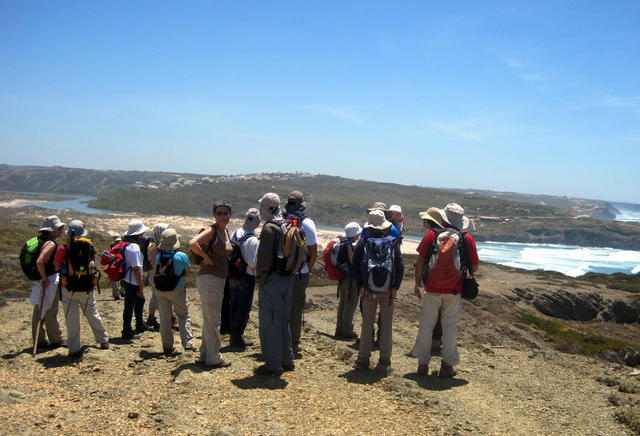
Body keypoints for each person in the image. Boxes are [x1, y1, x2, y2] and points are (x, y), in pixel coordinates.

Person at [413, 203, 479, 378]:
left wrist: (418, 283)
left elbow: (420, 262)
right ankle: (447, 365)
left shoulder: (431, 235)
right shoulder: (467, 239)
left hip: (431, 288)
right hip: (453, 290)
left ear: (444, 218)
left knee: (426, 325)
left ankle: (422, 364)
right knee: (449, 327)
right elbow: (475, 267)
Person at [352, 210, 404, 371]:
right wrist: (395, 287)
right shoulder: (393, 240)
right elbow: (400, 264)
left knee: (367, 323)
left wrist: (361, 285)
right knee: (386, 325)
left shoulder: (364, 240)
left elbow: (355, 264)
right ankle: (384, 361)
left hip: (368, 288)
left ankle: (362, 359)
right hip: (388, 289)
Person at [255, 193, 295, 376]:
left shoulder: (269, 229)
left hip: (272, 280)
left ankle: (272, 364)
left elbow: (263, 261)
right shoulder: (287, 224)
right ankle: (287, 359)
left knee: (269, 323)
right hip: (288, 278)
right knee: (282, 321)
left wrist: (261, 281)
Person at [189, 201, 233, 368]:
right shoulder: (212, 230)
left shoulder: (226, 231)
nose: (222, 216)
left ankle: (205, 354)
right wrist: (207, 259)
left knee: (210, 318)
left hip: (218, 279)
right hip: (210, 278)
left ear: (230, 215)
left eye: (225, 213)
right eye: (219, 213)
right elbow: (193, 243)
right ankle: (214, 357)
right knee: (214, 319)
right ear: (214, 215)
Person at [56, 220, 109, 357]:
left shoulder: (63, 249)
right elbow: (94, 265)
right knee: (92, 313)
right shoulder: (89, 246)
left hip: (67, 286)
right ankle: (103, 340)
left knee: (71, 319)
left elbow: (56, 267)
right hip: (86, 286)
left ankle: (74, 348)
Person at [285, 191, 318, 354]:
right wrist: (306, 269)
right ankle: (293, 342)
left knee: (282, 306)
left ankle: (279, 338)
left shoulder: (281, 220)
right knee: (296, 309)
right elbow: (313, 251)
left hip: (282, 271)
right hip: (300, 272)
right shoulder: (307, 223)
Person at [154, 228, 195, 356]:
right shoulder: (181, 256)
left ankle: (167, 347)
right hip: (177, 289)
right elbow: (188, 274)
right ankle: (187, 343)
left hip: (160, 290)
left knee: (164, 318)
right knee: (183, 315)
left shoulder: (158, 256)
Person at [30, 215, 65, 350]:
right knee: (50, 310)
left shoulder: (39, 240)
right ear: (51, 230)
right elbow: (40, 261)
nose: (61, 230)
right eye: (59, 228)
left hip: (41, 280)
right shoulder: (50, 243)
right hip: (48, 281)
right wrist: (45, 278)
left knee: (39, 309)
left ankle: (39, 340)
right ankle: (55, 339)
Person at [228, 208, 260, 348]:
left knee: (234, 304)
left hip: (233, 274)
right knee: (243, 307)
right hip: (246, 276)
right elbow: (254, 263)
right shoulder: (253, 240)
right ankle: (237, 337)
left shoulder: (236, 232)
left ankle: (232, 334)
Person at [121, 219, 152, 339]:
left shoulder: (125, 244)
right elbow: (136, 268)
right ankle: (127, 330)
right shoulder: (134, 247)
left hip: (126, 279)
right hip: (132, 281)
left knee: (139, 301)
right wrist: (140, 286)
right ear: (138, 233)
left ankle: (139, 324)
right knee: (130, 305)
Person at [334, 222, 362, 340]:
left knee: (343, 303)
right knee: (350, 305)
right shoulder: (351, 246)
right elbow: (354, 264)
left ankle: (339, 329)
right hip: (351, 280)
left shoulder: (342, 244)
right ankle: (347, 332)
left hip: (342, 278)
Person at [146, 222, 169, 330]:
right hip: (157, 275)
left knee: (156, 296)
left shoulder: (155, 244)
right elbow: (154, 263)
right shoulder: (154, 246)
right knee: (159, 297)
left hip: (155, 274)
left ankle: (152, 318)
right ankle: (157, 318)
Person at [109, 236, 124, 300]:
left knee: (116, 280)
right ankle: (119, 293)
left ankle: (117, 294)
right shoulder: (123, 247)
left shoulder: (112, 248)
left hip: (115, 265)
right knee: (119, 279)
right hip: (118, 265)